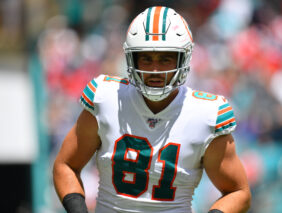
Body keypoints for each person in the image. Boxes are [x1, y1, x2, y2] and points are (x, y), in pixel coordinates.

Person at [53, 6, 251, 213]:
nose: (155, 70)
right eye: (146, 59)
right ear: (132, 59)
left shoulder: (206, 115)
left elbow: (238, 192)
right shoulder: (105, 98)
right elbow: (66, 166)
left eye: (165, 59)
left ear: (183, 59)